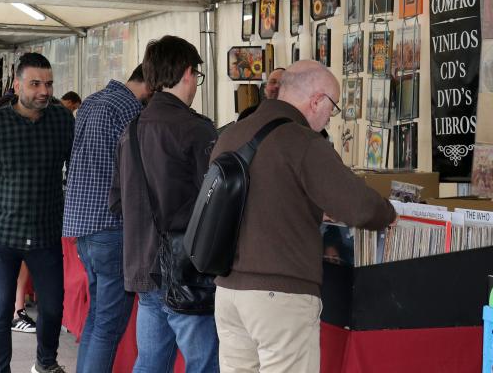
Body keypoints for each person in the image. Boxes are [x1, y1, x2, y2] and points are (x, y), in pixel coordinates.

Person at [211, 60, 396, 373]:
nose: (329, 118)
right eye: (332, 108)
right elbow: (360, 207)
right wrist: (389, 213)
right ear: (317, 100)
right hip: (280, 294)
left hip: (228, 290)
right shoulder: (302, 141)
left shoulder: (232, 133)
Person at [110, 35, 219, 372]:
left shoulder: (131, 129)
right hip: (187, 269)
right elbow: (215, 205)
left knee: (151, 363)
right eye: (196, 77)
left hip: (143, 267)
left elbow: (116, 203)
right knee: (203, 363)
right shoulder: (196, 130)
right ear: (188, 73)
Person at [0, 53, 74, 373]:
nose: (44, 90)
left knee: (53, 308)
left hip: (46, 233)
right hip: (3, 234)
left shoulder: (62, 120)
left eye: (49, 83)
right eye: (36, 83)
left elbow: (78, 169)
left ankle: (45, 362)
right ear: (17, 85)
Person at [64, 64, 151, 373]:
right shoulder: (130, 110)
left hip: (83, 225)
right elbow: (135, 173)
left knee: (97, 317)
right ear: (151, 86)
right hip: (111, 226)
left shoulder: (91, 101)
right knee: (108, 326)